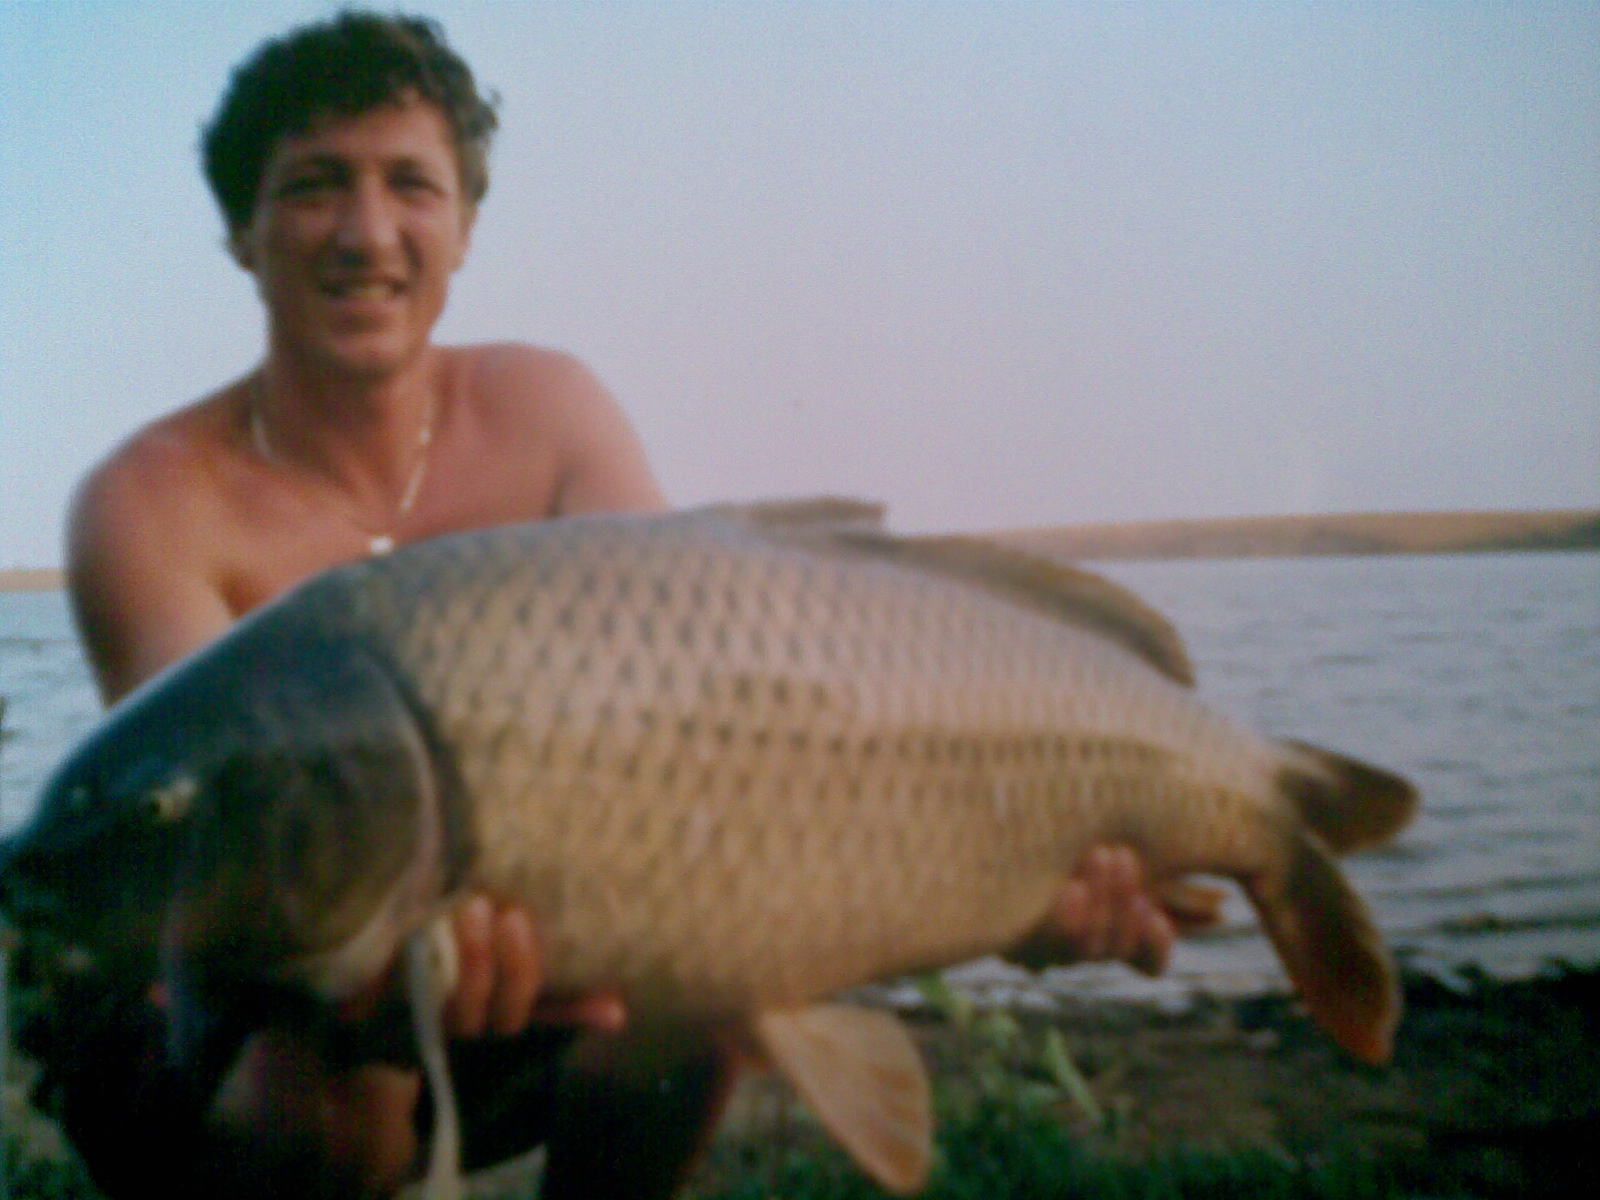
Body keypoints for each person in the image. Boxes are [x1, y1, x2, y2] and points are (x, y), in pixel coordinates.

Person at [42, 10, 1176, 1198]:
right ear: (241, 228)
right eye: (314, 185)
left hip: (519, 977)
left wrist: (1008, 890)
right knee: (330, 1093)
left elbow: (713, 749)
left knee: (690, 979)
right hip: (224, 1020)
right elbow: (227, 865)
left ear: (464, 227)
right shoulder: (147, 501)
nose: (366, 233)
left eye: (410, 185)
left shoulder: (551, 413)